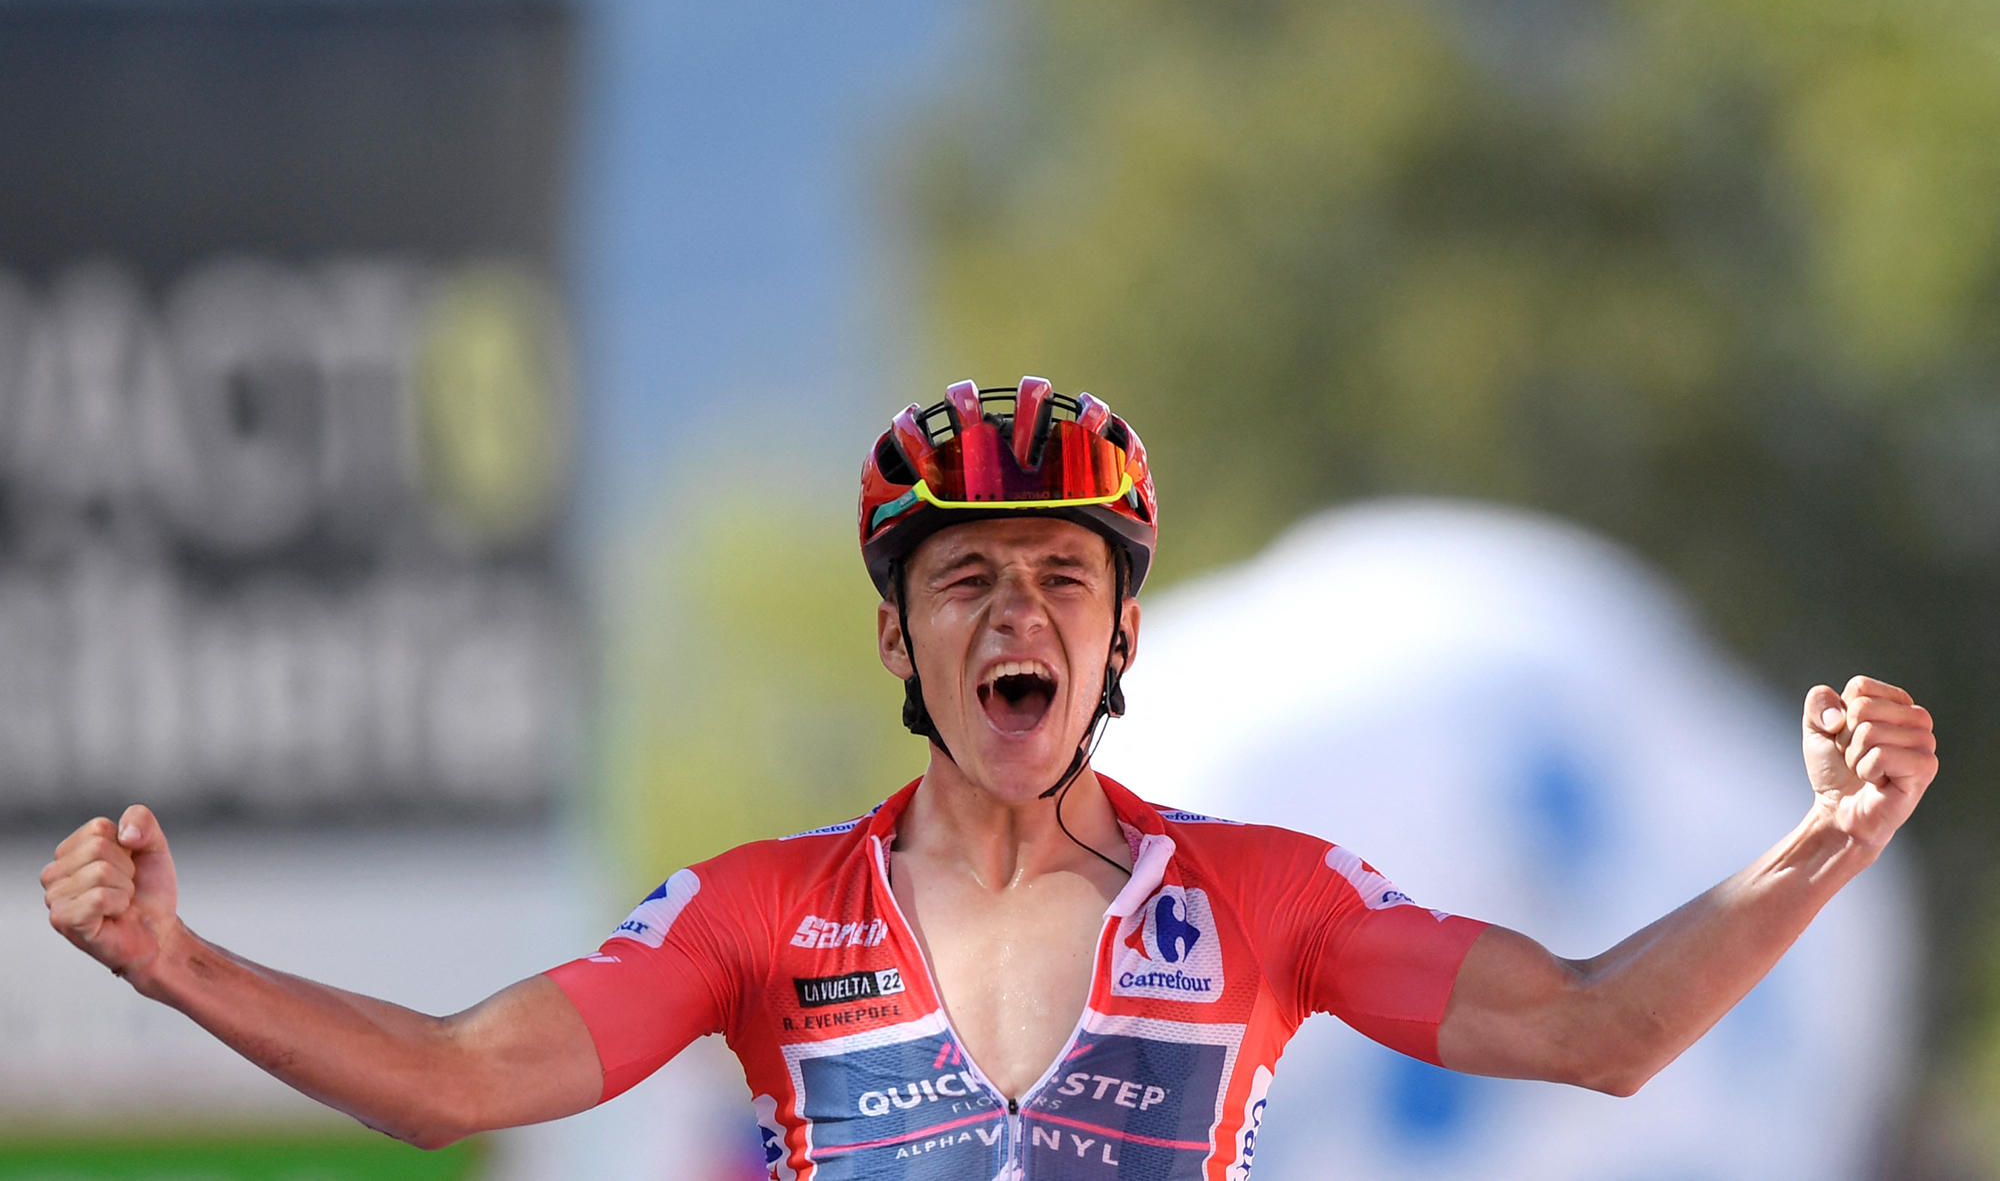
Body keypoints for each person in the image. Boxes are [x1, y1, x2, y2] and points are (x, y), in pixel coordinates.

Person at [41, 376, 1938, 1179]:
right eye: (967, 581)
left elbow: (1603, 1027)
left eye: (1064, 579)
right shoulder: (760, 912)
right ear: (902, 642)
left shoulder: (1270, 893)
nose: (1017, 614)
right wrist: (183, 966)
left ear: (1122, 641)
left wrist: (1834, 839)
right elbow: (459, 1083)